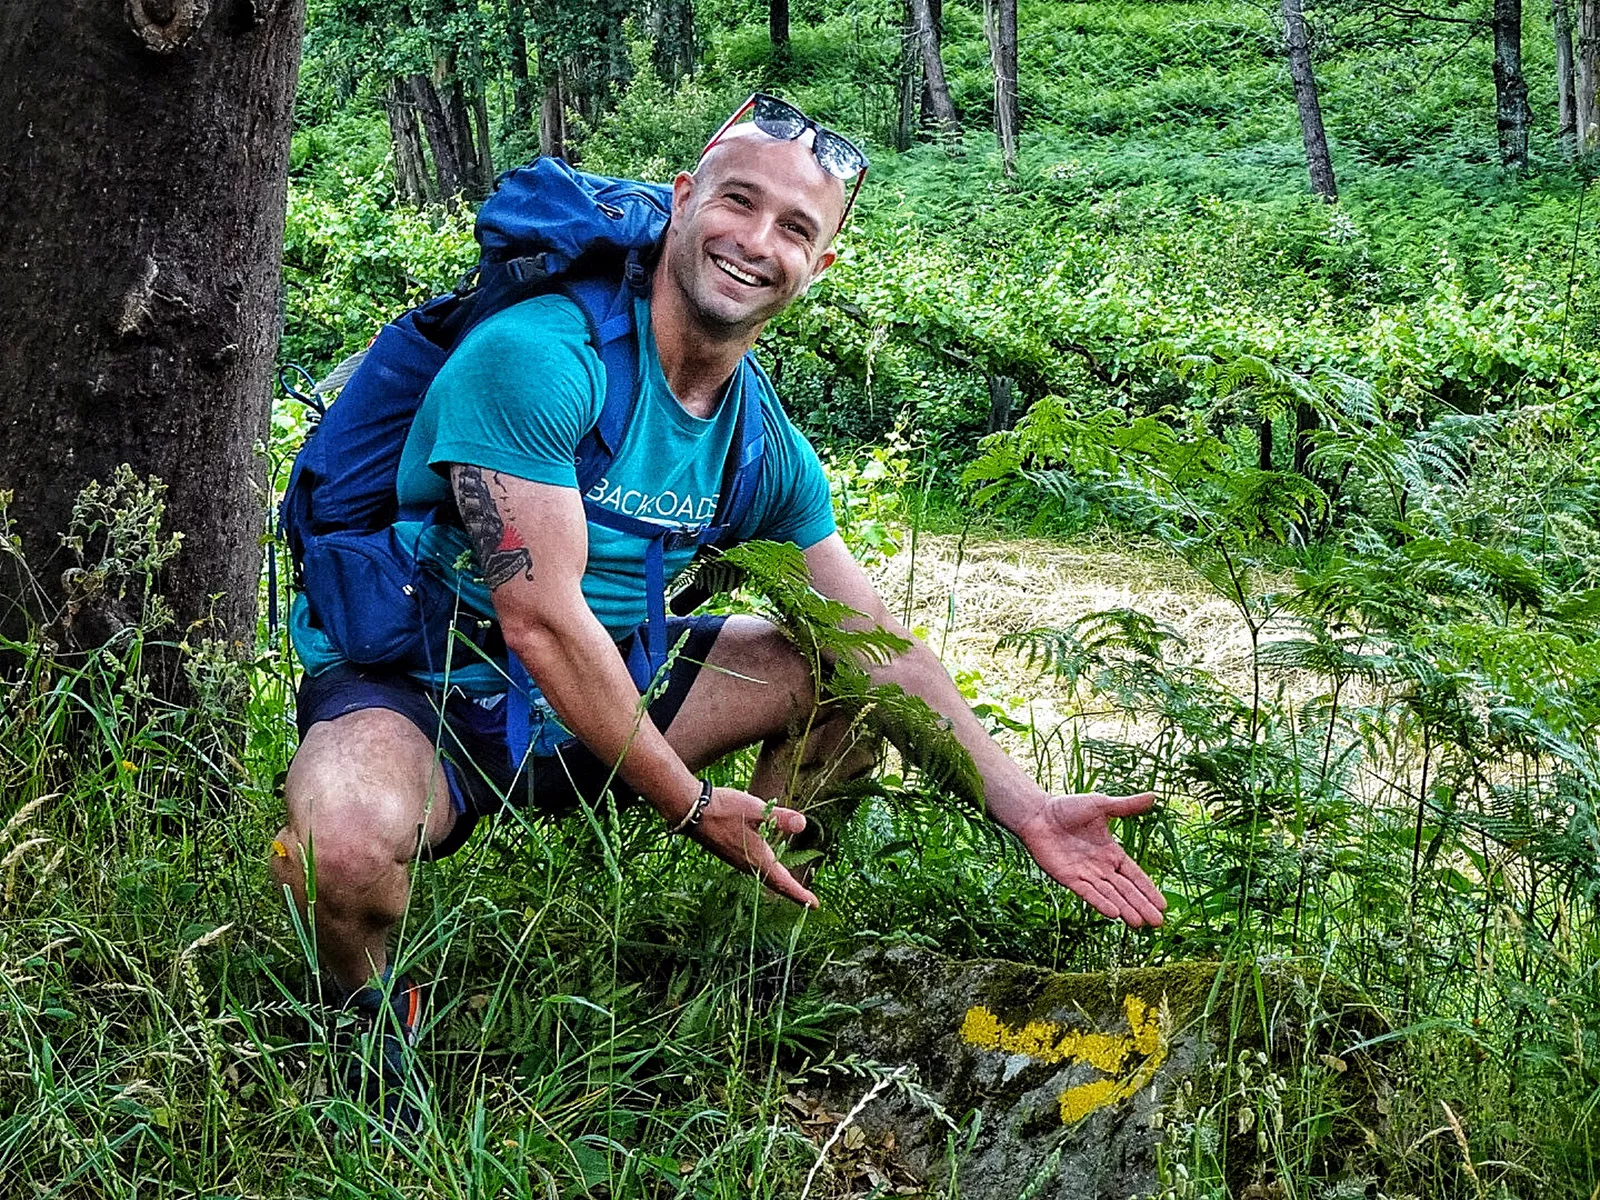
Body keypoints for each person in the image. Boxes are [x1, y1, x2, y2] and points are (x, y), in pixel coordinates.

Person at [270, 93, 1166, 1129]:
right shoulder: (537, 357)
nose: (756, 241)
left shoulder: (756, 441)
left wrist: (1022, 806)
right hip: (425, 688)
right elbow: (541, 623)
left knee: (840, 672)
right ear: (683, 199)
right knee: (341, 846)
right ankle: (369, 1032)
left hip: (622, 688)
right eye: (738, 202)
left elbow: (877, 644)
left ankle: (759, 959)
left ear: (820, 266)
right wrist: (688, 802)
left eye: (795, 228)